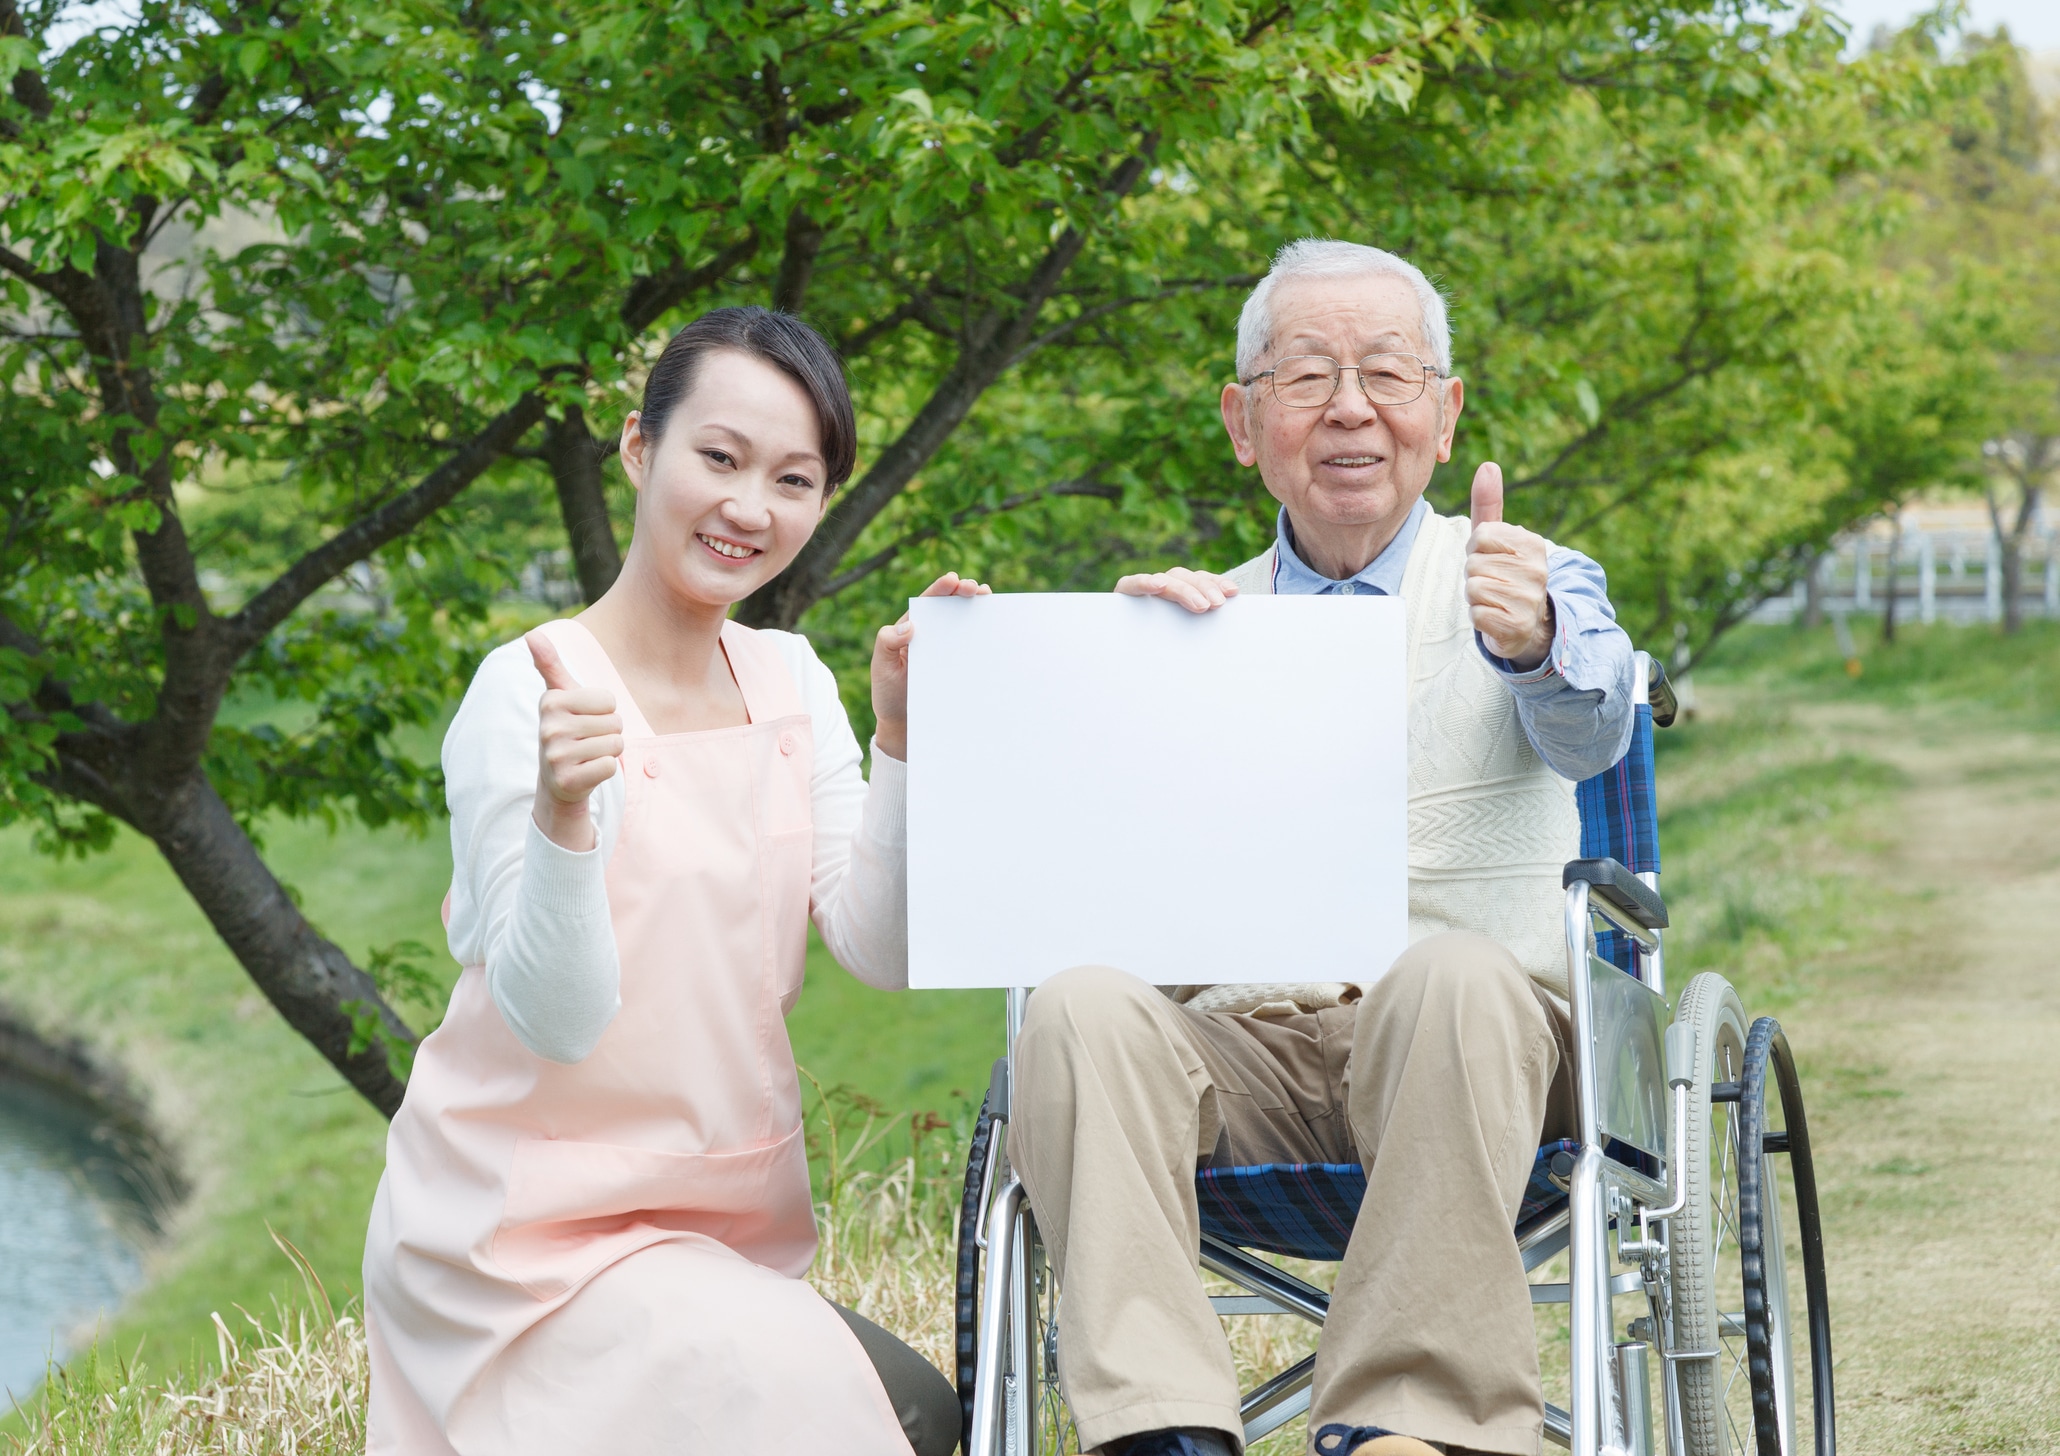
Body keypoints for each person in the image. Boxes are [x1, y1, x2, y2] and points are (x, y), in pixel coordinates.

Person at [1007, 240, 1638, 1456]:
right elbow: (1096, 877)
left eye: (1386, 373)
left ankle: (1416, 1426)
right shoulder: (1191, 617)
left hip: (1484, 1051)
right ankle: (1159, 1430)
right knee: (1078, 1005)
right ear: (1244, 424)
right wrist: (1121, 689)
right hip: (1254, 1056)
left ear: (1442, 415)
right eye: (1305, 376)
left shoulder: (1524, 576)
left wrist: (1537, 642)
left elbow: (1594, 717)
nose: (1348, 405)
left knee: (1448, 978)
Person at [363, 307, 974, 1456]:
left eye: (794, 478)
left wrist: (899, 739)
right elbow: (556, 1017)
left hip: (716, 1228)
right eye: (719, 458)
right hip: (518, 1239)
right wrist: (563, 810)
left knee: (931, 1413)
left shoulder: (791, 676)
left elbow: (880, 951)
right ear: (640, 450)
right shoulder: (529, 690)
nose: (750, 506)